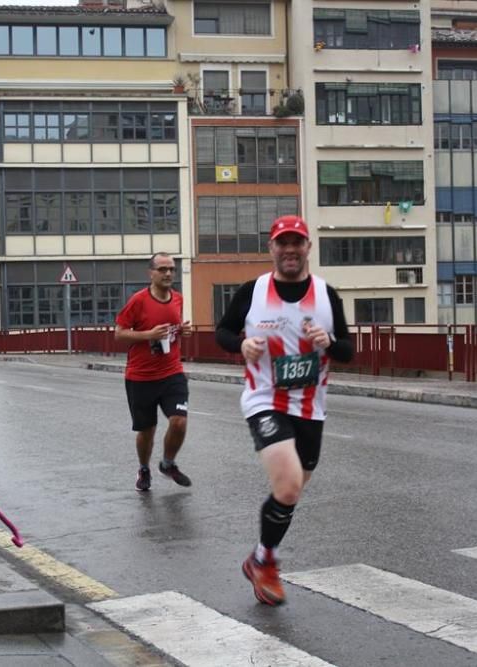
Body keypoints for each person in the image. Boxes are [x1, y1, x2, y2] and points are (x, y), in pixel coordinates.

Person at [215, 215, 354, 606]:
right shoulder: (253, 291)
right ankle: (268, 563)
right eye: (282, 243)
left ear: (308, 247)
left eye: (297, 243)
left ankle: (260, 557)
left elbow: (348, 349)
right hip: (265, 400)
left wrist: (328, 341)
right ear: (271, 248)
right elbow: (222, 332)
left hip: (311, 409)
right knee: (289, 484)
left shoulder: (328, 295)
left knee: (289, 493)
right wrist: (240, 345)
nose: (290, 250)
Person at [114, 252, 194, 492]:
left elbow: (171, 330)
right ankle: (144, 468)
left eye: (171, 269)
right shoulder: (138, 301)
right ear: (151, 273)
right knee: (146, 431)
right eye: (162, 269)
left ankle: (168, 463)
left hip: (171, 372)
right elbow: (119, 333)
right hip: (141, 377)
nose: (168, 273)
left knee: (179, 421)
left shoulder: (178, 299)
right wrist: (148, 335)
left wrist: (182, 331)